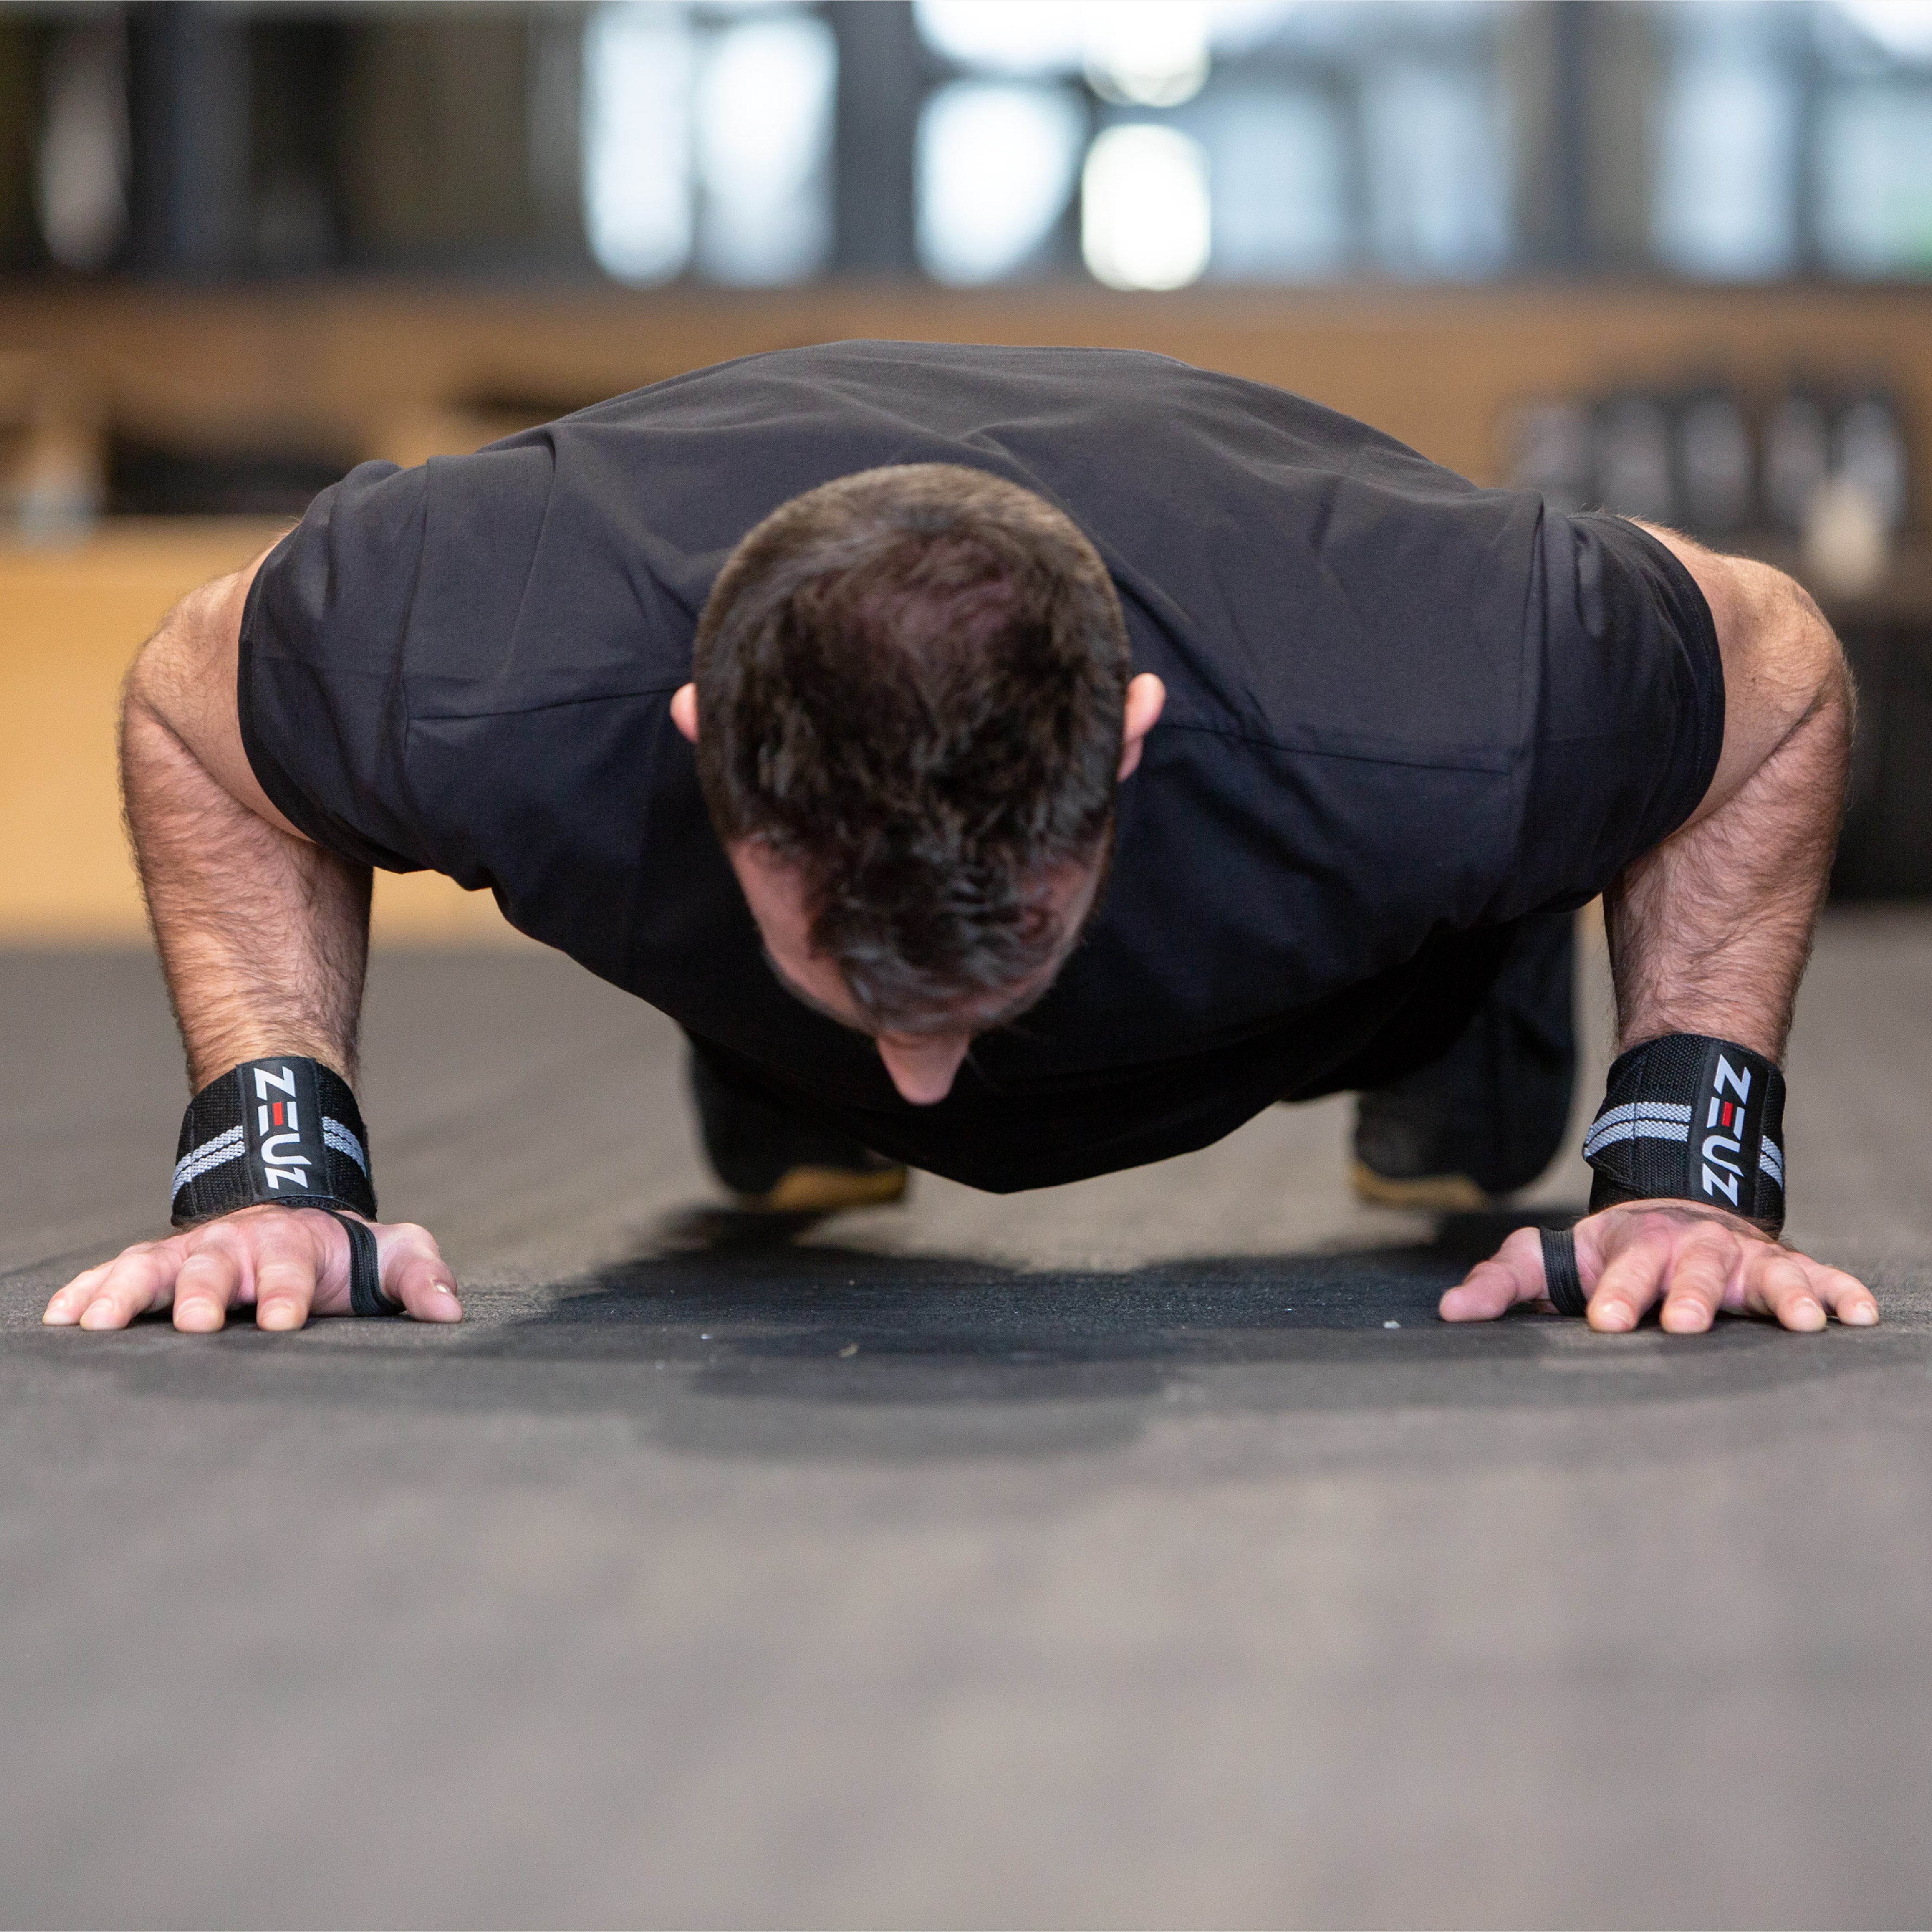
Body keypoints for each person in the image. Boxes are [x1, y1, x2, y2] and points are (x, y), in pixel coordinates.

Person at [44, 341, 1876, 1339]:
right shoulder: (486, 640)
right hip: (717, 864)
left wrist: (1686, 1164)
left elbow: (1780, 675)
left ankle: (1461, 998)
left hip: (1345, 938)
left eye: (980, 953)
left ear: (1128, 738)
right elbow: (195, 714)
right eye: (859, 974)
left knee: (1450, 965)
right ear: (702, 744)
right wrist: (273, 1167)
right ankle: (778, 1051)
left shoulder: (1445, 678)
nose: (921, 1073)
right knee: (842, 1039)